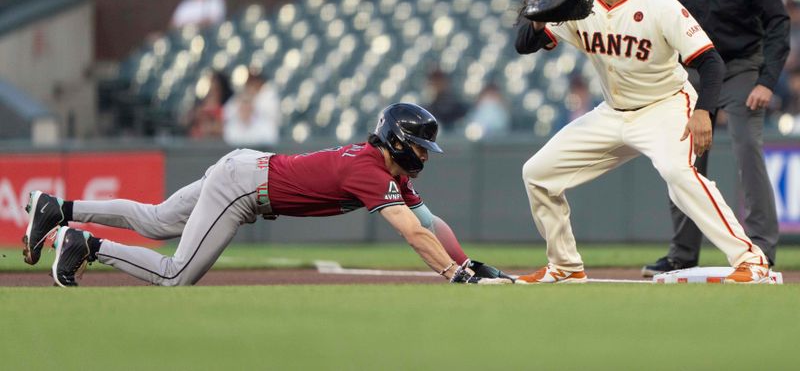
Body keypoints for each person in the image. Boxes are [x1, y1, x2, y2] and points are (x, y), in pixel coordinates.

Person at [514, 0, 771, 284]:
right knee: (537, 175)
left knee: (677, 173)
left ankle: (751, 260)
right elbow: (523, 45)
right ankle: (565, 266)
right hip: (612, 113)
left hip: (664, 107)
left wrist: (702, 112)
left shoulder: (659, 6)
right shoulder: (578, 5)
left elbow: (710, 62)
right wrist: (539, 22)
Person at [21, 103, 513, 287]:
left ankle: (57, 209)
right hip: (244, 188)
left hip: (245, 168)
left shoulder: (383, 169)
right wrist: (452, 275)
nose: (425, 157)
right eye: (420, 148)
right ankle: (87, 244)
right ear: (400, 143)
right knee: (175, 276)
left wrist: (466, 262)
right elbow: (409, 232)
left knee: (154, 220)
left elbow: (430, 224)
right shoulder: (368, 169)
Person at [642, 0, 789, 277]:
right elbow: (655, 6)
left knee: (746, 147)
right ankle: (683, 252)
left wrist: (766, 80)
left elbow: (777, 22)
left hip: (740, 64)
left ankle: (759, 248)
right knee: (684, 159)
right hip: (690, 69)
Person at [223, 68, 281, 146]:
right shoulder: (230, 128)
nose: (245, 107)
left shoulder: (265, 128)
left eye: (248, 104)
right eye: (243, 104)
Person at [186, 70, 233, 139]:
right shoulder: (198, 109)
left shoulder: (227, 109)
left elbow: (225, 130)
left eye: (215, 88)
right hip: (195, 144)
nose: (212, 91)